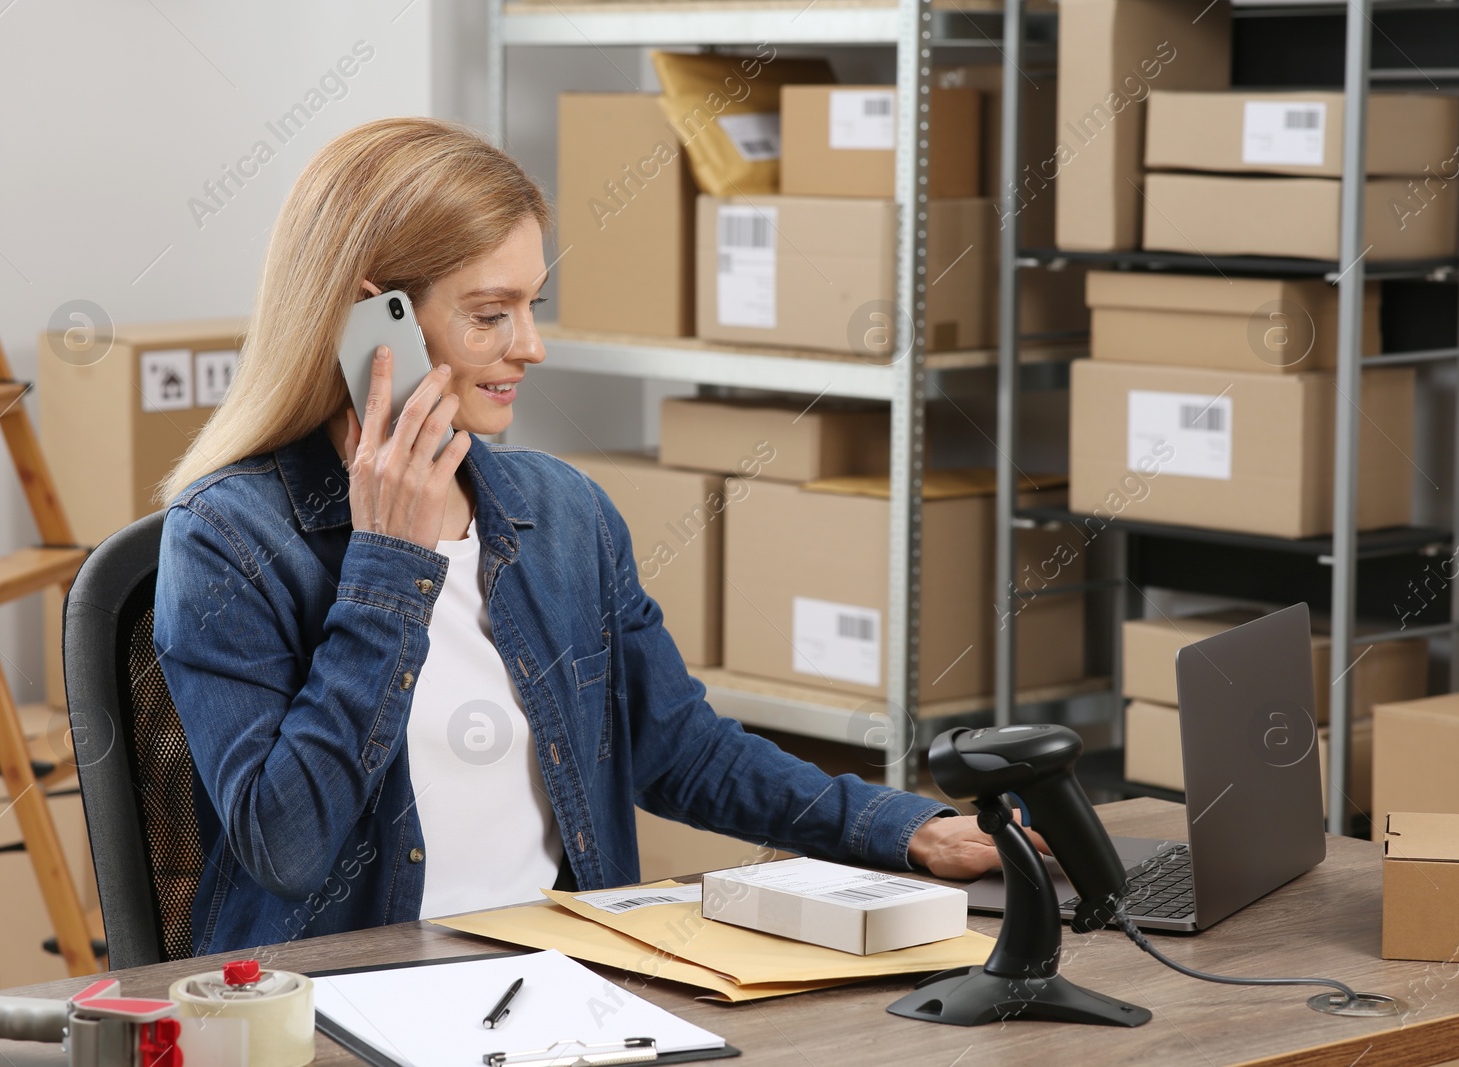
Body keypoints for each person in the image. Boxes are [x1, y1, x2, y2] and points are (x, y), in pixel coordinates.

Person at [153, 117, 1010, 956]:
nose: (532, 346)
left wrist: (909, 829)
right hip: (343, 1011)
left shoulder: (563, 512)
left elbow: (681, 749)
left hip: (561, 993)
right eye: (490, 314)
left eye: (533, 305)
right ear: (372, 321)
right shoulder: (227, 540)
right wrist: (390, 567)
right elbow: (288, 848)